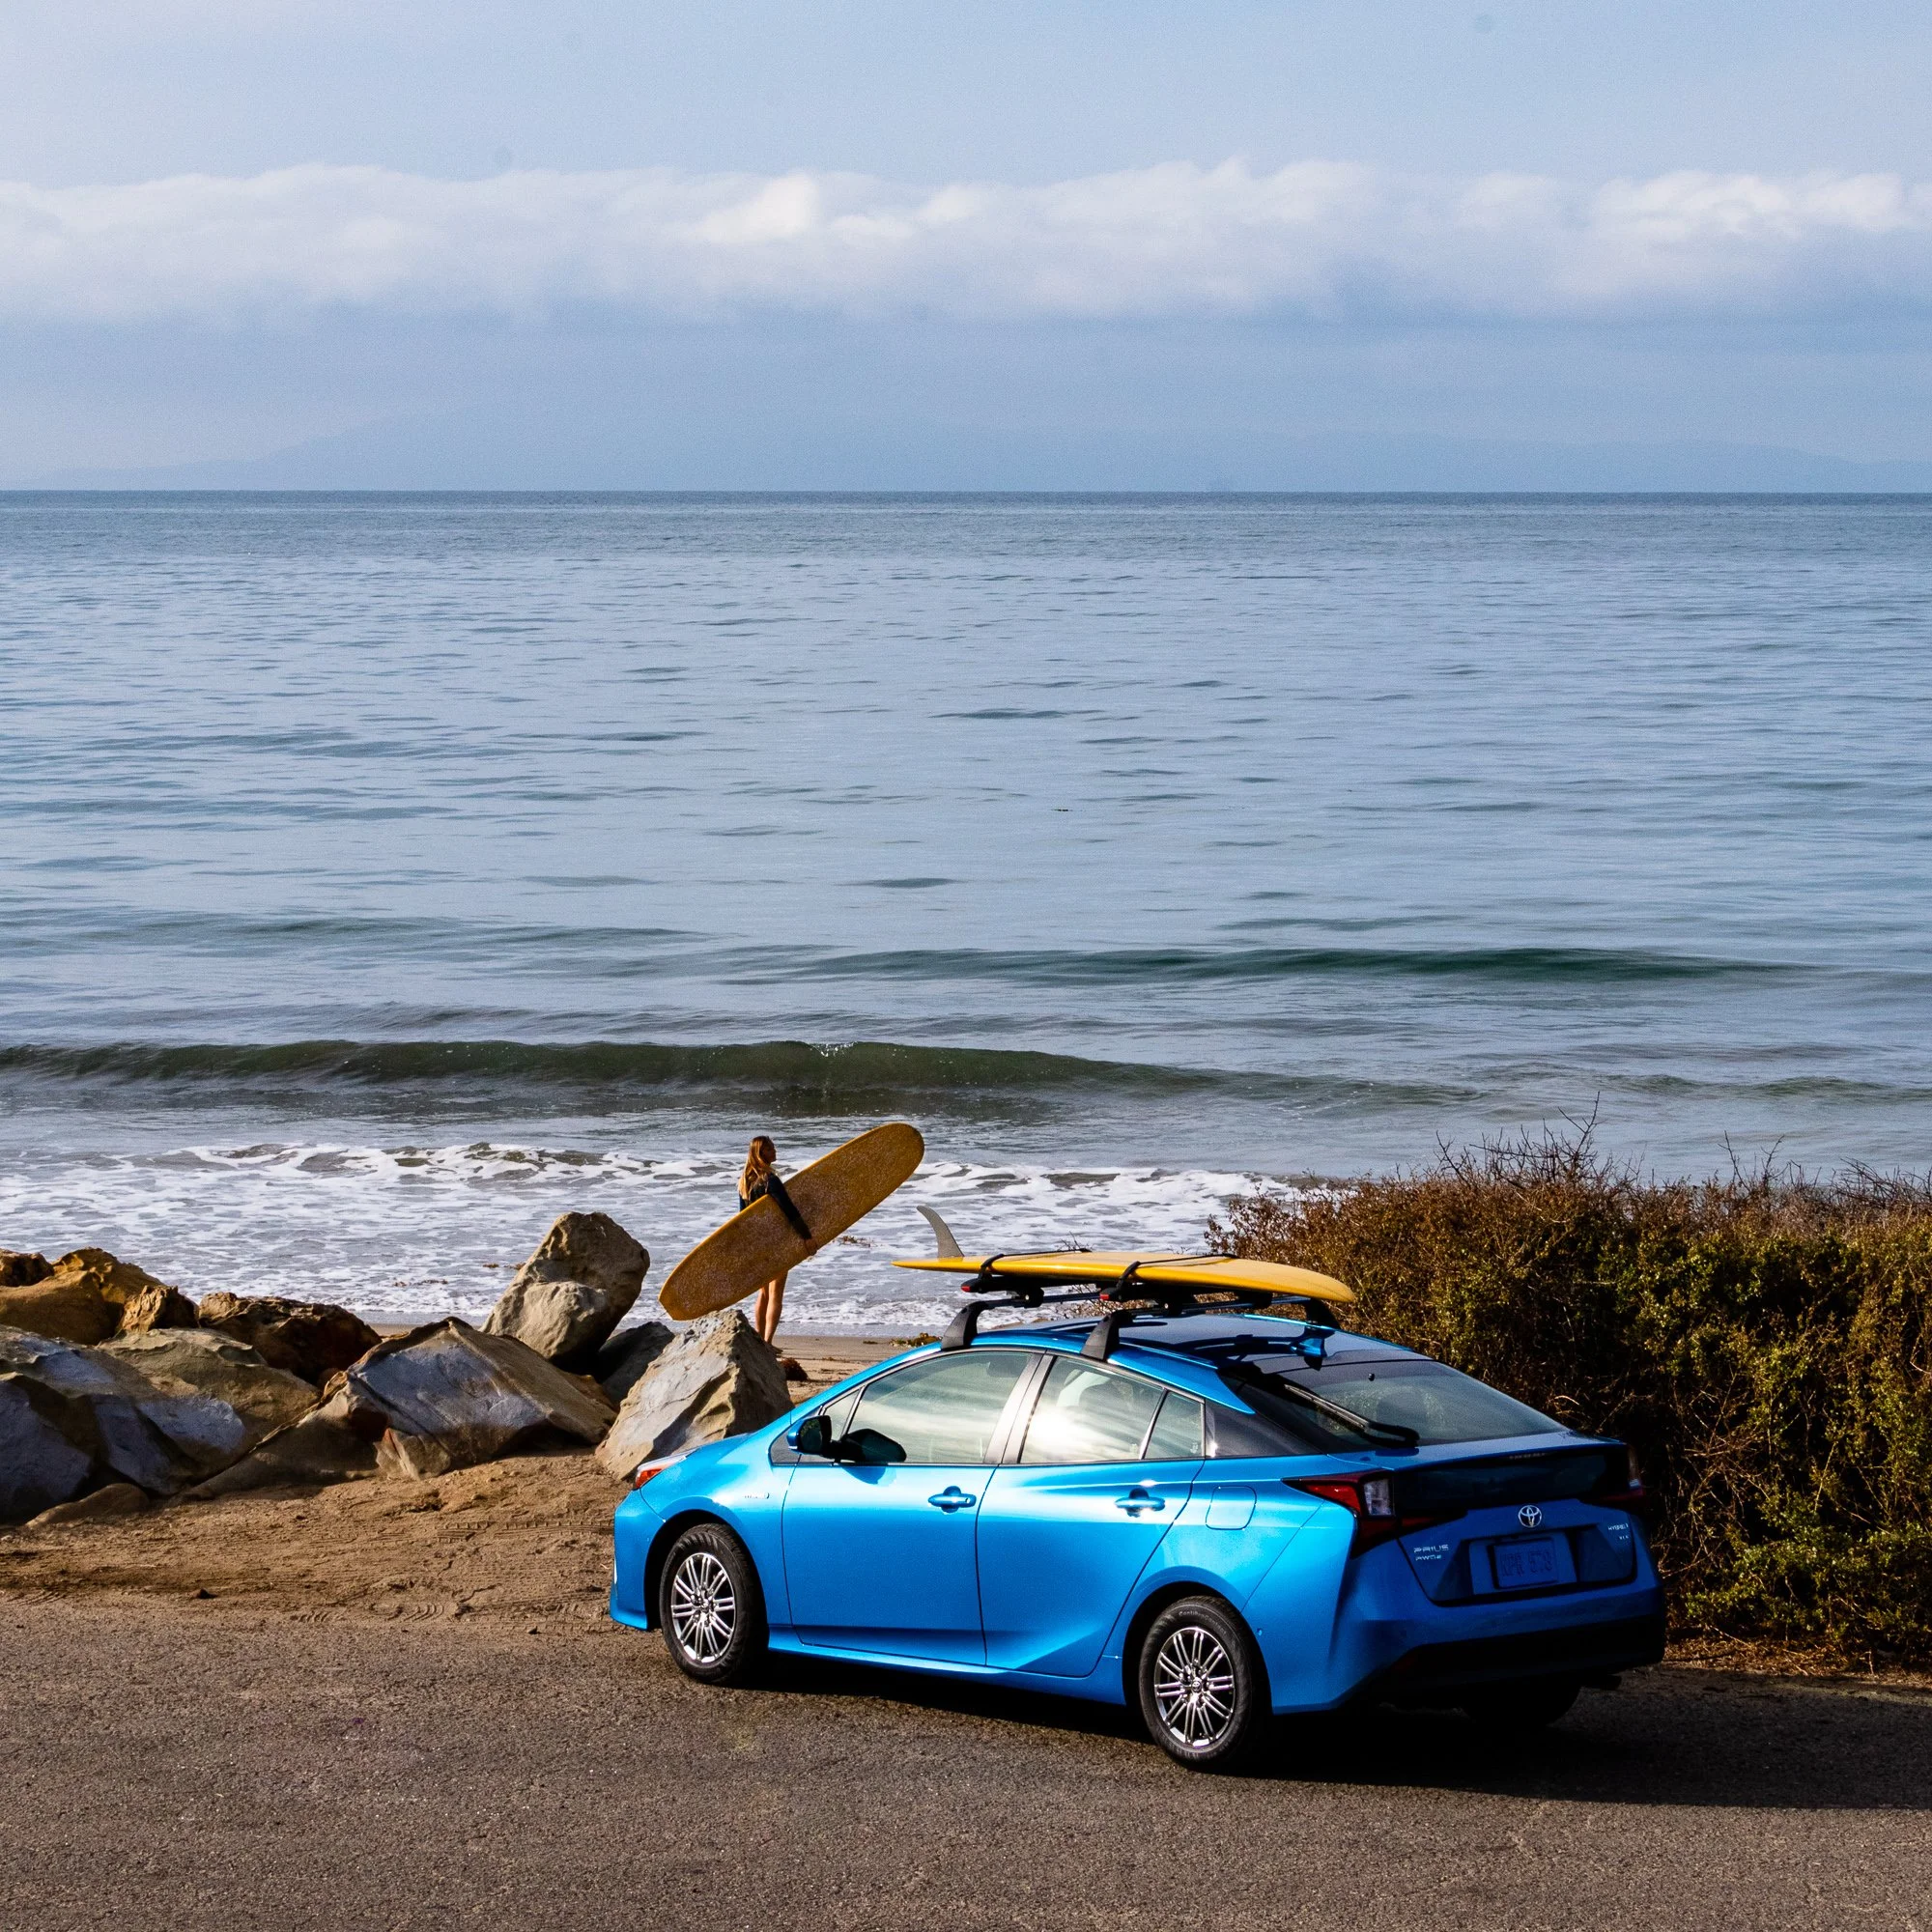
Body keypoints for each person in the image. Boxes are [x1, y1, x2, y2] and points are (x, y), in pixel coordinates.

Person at [737, 1134, 810, 1344]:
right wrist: (807, 1237)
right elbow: (790, 1211)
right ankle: (768, 1342)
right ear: (761, 1154)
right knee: (776, 1293)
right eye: (771, 1149)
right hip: (776, 1242)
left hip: (756, 1243)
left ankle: (760, 1341)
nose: (775, 1151)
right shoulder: (771, 1181)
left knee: (763, 1293)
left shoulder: (745, 1182)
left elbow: (742, 1218)